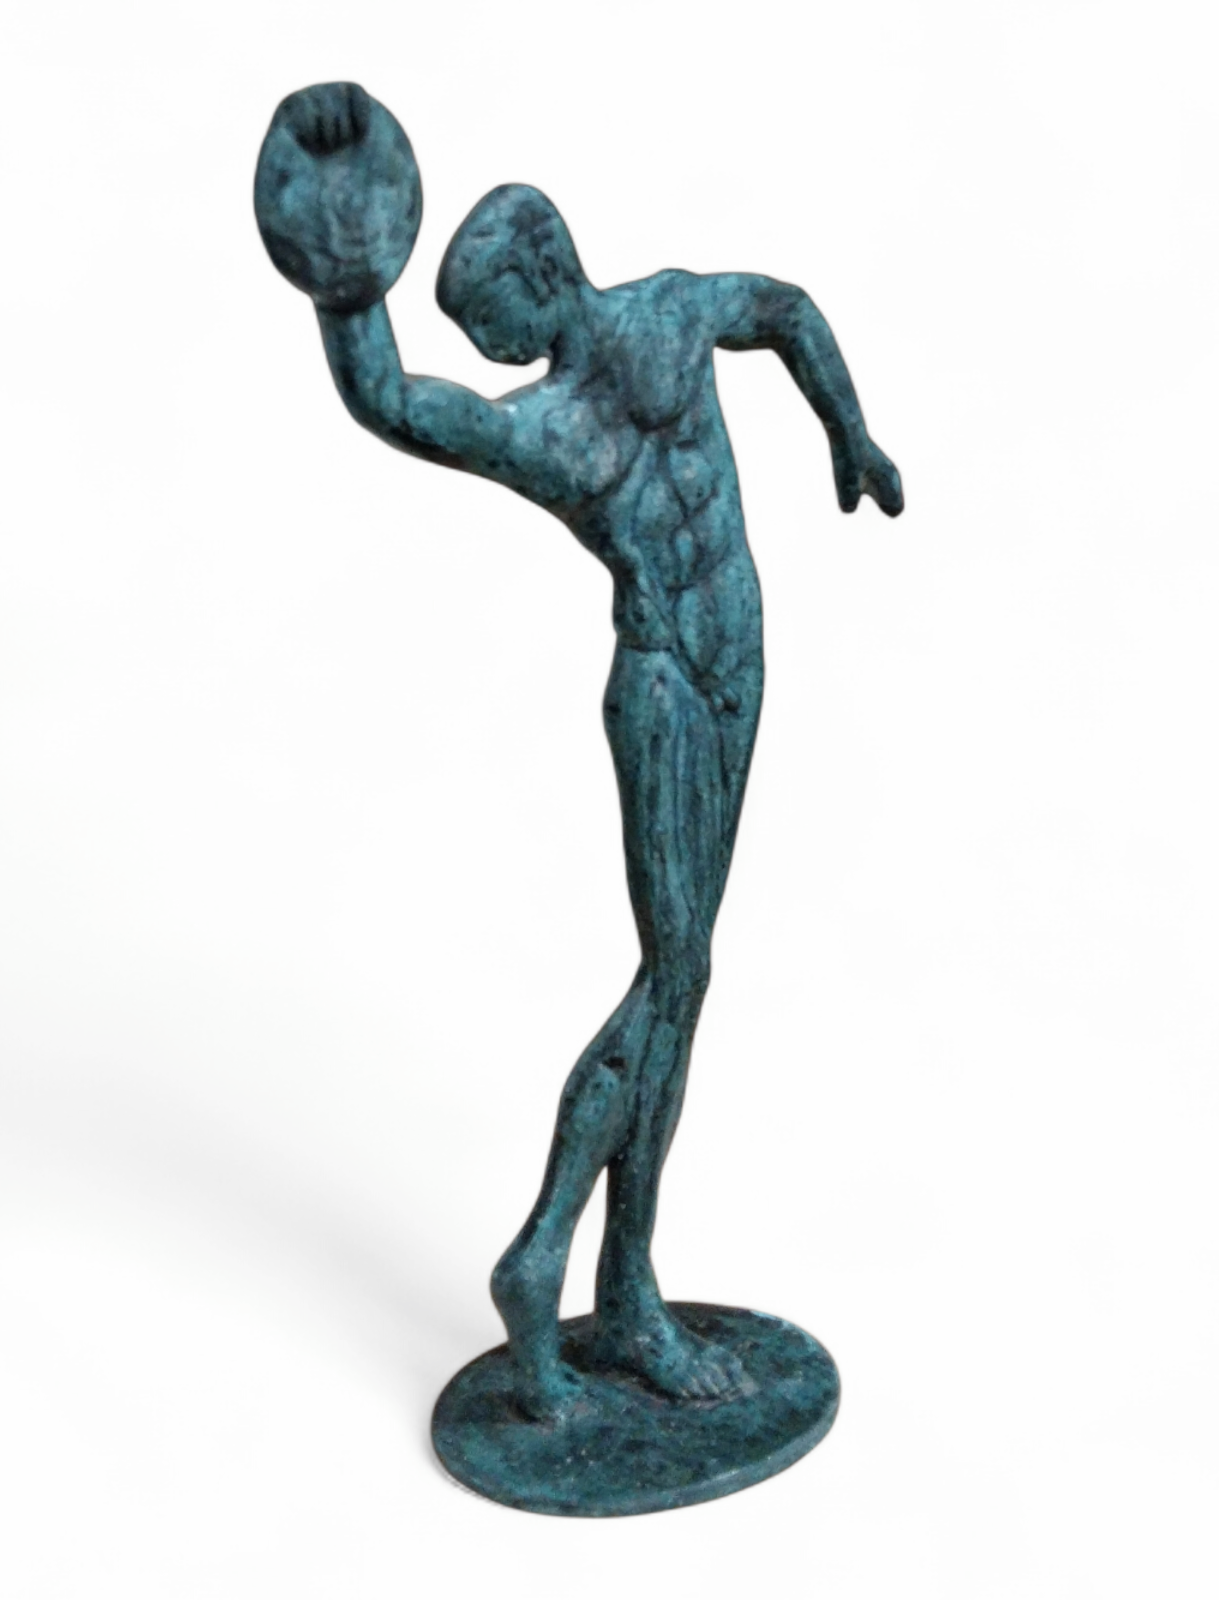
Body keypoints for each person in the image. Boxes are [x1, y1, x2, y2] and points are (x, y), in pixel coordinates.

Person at [305, 84, 902, 1420]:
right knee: (675, 974)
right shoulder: (561, 418)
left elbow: (786, 310)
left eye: (489, 322)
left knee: (683, 984)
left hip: (737, 664)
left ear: (539, 274)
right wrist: (346, 285)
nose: (490, 350)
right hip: (668, 685)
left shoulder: (662, 323)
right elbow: (393, 400)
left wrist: (849, 431)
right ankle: (547, 1259)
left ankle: (626, 1290)